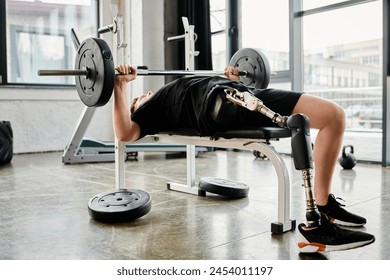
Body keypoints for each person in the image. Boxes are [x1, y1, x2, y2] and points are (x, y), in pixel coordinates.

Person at [113, 64, 375, 253]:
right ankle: (315, 225)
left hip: (238, 92)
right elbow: (124, 133)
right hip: (220, 105)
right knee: (298, 123)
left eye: (141, 96)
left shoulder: (166, 92)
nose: (142, 96)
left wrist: (232, 76)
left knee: (334, 115)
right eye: (136, 100)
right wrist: (120, 87)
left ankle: (324, 204)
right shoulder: (149, 111)